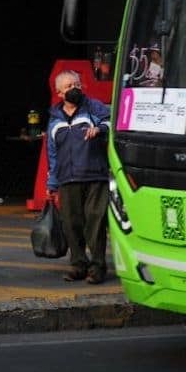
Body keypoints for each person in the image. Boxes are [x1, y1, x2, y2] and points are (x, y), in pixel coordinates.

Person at [46, 70, 111, 284]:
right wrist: (52, 183)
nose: (74, 88)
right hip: (68, 179)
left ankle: (98, 267)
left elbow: (111, 123)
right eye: (68, 86)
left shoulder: (93, 107)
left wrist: (99, 129)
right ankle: (78, 264)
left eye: (77, 84)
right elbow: (52, 154)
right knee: (72, 224)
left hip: (95, 176)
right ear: (59, 92)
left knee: (95, 221)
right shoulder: (54, 120)